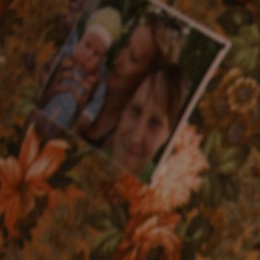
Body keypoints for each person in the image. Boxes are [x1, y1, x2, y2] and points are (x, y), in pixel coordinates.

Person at [76, 10, 181, 148]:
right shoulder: (90, 79)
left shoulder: (125, 140)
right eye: (126, 45)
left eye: (133, 58)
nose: (118, 60)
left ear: (147, 80)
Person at [38, 6, 122, 130]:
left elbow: (94, 107)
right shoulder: (65, 54)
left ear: (101, 61)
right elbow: (44, 72)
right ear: (80, 40)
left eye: (96, 54)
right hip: (43, 111)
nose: (88, 56)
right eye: (87, 45)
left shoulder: (98, 80)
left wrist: (83, 119)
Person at [107, 63, 186, 179]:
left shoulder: (162, 186)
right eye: (136, 111)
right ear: (124, 109)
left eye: (154, 123)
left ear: (167, 135)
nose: (135, 139)